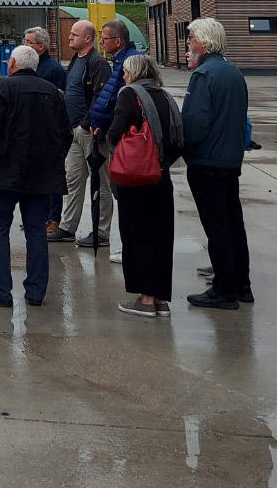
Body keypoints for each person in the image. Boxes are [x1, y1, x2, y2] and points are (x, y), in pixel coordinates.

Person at [0, 45, 71, 308]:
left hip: (5, 173)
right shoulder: (52, 92)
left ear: (13, 63)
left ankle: (0, 290)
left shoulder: (2, 88)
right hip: (41, 175)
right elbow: (66, 133)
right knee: (36, 229)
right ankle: (36, 291)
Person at [181, 17, 253, 311]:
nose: (188, 43)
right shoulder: (233, 71)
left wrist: (184, 150)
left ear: (204, 41)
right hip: (229, 159)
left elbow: (194, 123)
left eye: (191, 38)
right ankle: (240, 284)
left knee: (217, 227)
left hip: (207, 160)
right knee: (233, 223)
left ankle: (223, 290)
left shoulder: (204, 74)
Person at [108, 54, 184, 318]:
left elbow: (115, 131)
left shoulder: (130, 95)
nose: (124, 76)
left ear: (135, 73)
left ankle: (145, 299)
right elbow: (177, 138)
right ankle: (161, 298)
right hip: (161, 176)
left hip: (137, 177)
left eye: (126, 72)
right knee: (161, 236)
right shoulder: (165, 96)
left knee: (137, 236)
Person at [50, 19, 111, 243]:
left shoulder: (97, 63)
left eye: (74, 34)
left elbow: (101, 97)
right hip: (73, 130)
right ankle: (67, 227)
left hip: (90, 132)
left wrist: (87, 123)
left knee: (100, 183)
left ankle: (101, 232)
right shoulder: (77, 60)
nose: (69, 37)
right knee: (73, 179)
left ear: (88, 38)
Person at [83, 19, 140, 250]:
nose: (102, 42)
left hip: (123, 139)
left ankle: (132, 246)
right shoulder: (119, 61)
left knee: (122, 193)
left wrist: (105, 125)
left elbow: (117, 100)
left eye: (104, 38)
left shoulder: (128, 63)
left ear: (118, 41)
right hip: (108, 132)